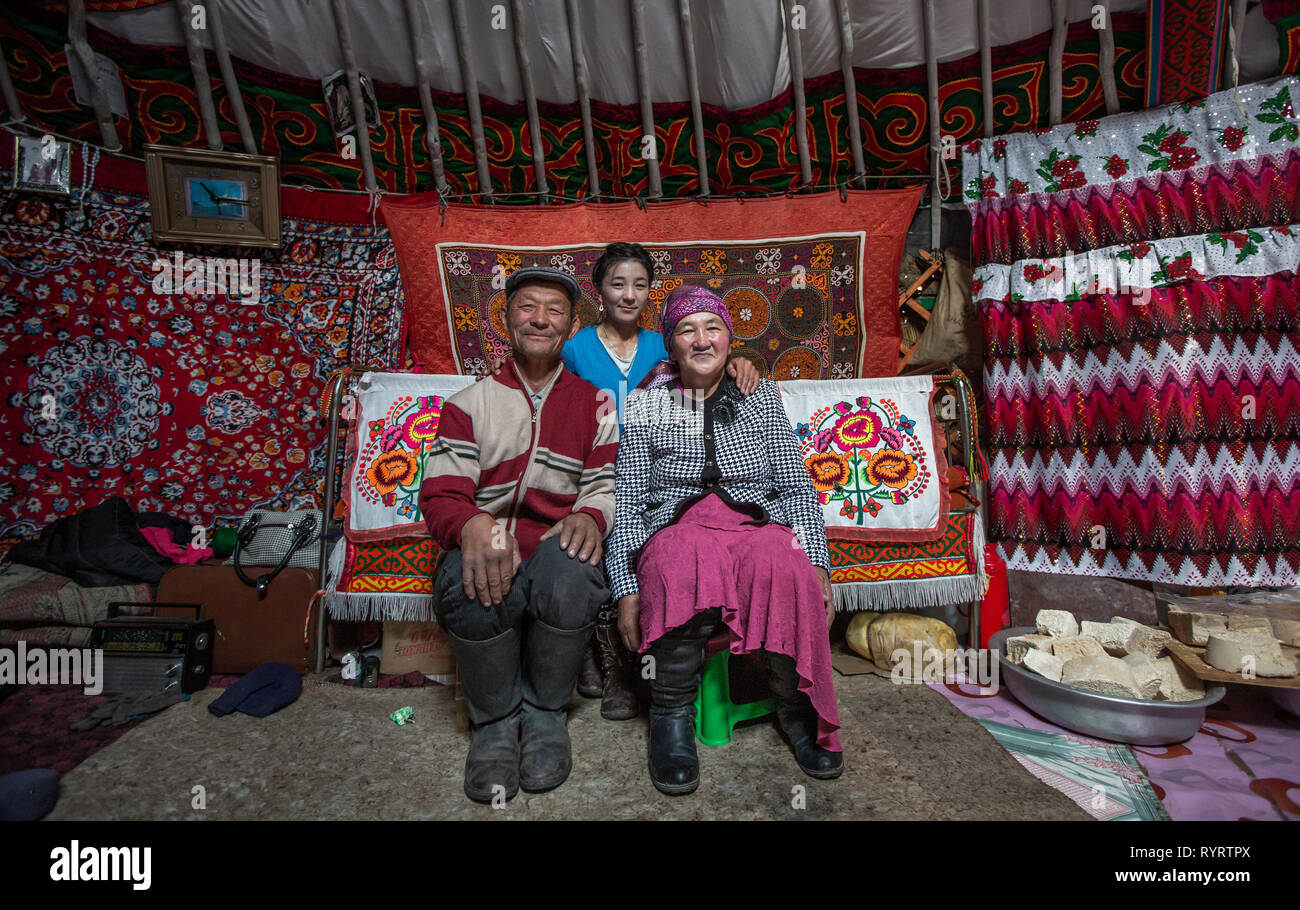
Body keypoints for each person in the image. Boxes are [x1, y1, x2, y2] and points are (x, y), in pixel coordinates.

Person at [604, 284, 843, 796]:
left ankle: (795, 706)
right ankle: (671, 716)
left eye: (713, 328)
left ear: (729, 339)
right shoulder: (646, 406)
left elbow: (795, 486)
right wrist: (625, 589)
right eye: (687, 330)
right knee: (680, 557)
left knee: (781, 559)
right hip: (679, 527)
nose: (702, 340)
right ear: (671, 346)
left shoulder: (759, 396)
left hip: (754, 524)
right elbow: (626, 504)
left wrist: (818, 563)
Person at [419, 266, 616, 804]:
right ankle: (495, 724)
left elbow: (604, 485)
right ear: (505, 318)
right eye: (527, 306)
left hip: (553, 540)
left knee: (573, 576)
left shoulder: (595, 403)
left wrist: (588, 516)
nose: (540, 320)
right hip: (492, 540)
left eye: (554, 311)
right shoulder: (468, 403)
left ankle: (546, 713)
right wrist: (474, 524)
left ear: (570, 326)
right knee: (469, 579)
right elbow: (440, 497)